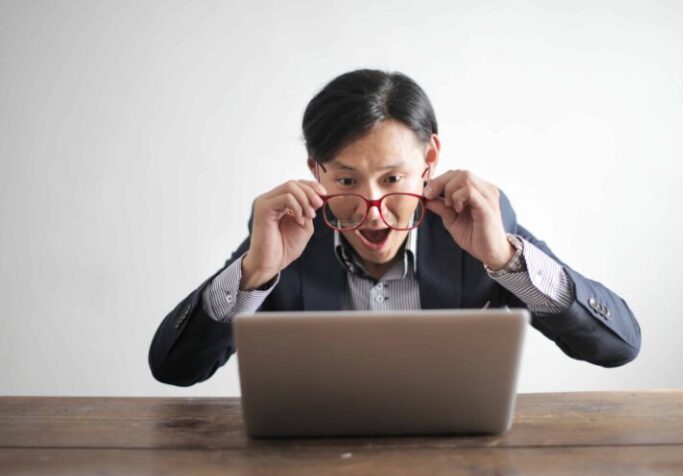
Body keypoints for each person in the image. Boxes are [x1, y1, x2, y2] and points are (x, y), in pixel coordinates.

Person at [149, 69, 642, 387]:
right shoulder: (288, 234)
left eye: (392, 179)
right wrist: (254, 274)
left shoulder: (478, 223)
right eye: (346, 180)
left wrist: (506, 261)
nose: (373, 208)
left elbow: (618, 347)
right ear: (316, 171)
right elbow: (174, 369)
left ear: (429, 161)